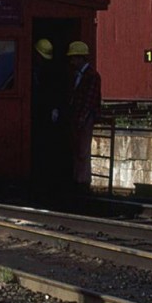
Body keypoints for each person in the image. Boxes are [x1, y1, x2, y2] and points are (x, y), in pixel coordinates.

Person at [30, 38, 66, 199]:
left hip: (44, 115)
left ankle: (44, 180)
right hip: (42, 114)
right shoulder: (38, 71)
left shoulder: (47, 74)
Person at [66, 40, 102, 192]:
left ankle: (82, 181)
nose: (72, 61)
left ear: (81, 58)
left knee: (82, 150)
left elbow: (89, 100)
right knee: (77, 149)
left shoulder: (91, 76)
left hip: (85, 118)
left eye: (74, 58)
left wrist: (81, 118)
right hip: (78, 116)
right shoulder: (78, 75)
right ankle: (78, 179)